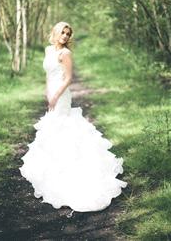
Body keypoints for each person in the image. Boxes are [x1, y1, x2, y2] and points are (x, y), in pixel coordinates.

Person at [19, 21, 127, 215]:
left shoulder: (66, 54)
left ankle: (68, 170)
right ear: (56, 32)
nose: (66, 36)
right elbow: (48, 75)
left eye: (68, 34)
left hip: (62, 94)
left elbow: (68, 78)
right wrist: (47, 93)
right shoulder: (47, 50)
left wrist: (56, 95)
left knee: (61, 126)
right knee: (53, 127)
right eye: (63, 32)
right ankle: (52, 170)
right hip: (51, 92)